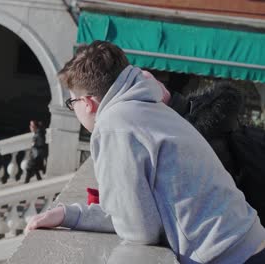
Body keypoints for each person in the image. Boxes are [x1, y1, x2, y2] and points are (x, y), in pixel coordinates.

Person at [25, 41, 265, 263]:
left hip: (229, 255)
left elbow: (139, 230)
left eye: (72, 103)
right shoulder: (147, 106)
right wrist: (70, 215)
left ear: (87, 103)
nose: (74, 109)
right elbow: (133, 214)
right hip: (247, 239)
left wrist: (73, 217)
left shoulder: (116, 126)